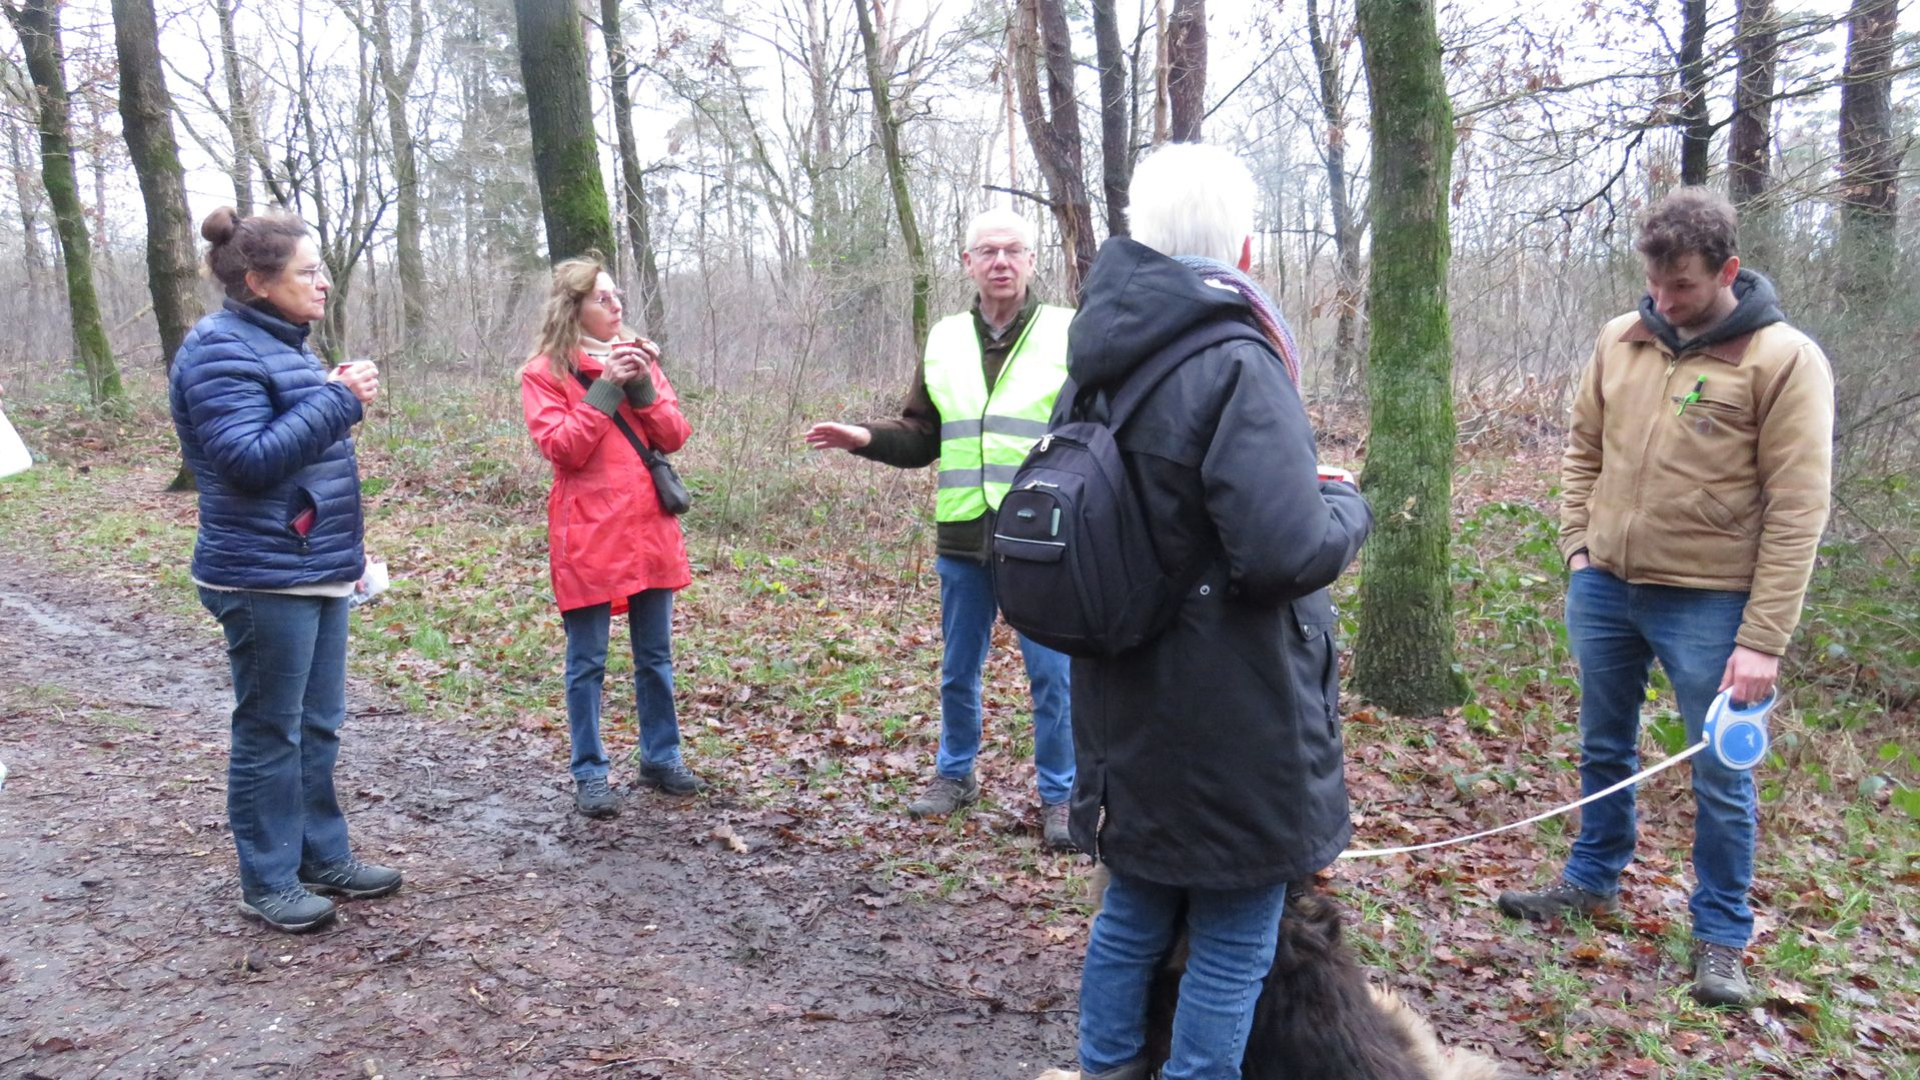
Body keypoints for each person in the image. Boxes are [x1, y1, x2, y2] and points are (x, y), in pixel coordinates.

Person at [1064, 143, 1372, 1080]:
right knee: (1237, 926)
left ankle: (1105, 1067)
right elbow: (1284, 551)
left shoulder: (1098, 358)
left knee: (1135, 909)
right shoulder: (1236, 357)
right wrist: (1344, 504)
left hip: (1126, 693)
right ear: (1242, 248)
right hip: (1230, 708)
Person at [1495, 187, 1835, 1007]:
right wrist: (1580, 549)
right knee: (1602, 747)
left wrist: (1763, 642)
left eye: (1682, 286)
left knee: (1722, 771)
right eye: (1655, 284)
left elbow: (1799, 507)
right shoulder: (1623, 339)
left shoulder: (1783, 359)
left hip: (1713, 604)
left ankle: (1720, 937)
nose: (1665, 301)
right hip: (1607, 588)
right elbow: (1582, 450)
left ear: (1728, 270)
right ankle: (1591, 880)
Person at [804, 208, 1077, 850]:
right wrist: (865, 437)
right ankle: (955, 775)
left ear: (1033, 260)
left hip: (1042, 539)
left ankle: (1062, 796)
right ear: (968, 263)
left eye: (1013, 250)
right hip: (962, 536)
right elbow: (924, 436)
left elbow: (1091, 431)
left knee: (1054, 675)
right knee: (959, 669)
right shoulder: (946, 337)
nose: (1001, 262)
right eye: (987, 251)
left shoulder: (1070, 332)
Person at [171, 207, 401, 934]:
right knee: (272, 730)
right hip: (259, 576)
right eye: (307, 272)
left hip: (312, 566)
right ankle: (267, 879)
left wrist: (349, 554)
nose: (323, 284)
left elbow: (305, 466)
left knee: (318, 725)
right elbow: (245, 462)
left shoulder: (284, 345)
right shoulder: (216, 349)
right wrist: (340, 400)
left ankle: (320, 856)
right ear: (257, 281)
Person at [520, 257, 701, 818]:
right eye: (602, 298)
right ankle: (590, 772)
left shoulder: (639, 358)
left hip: (648, 526)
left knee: (655, 656)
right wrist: (605, 388)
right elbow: (565, 450)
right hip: (589, 532)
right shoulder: (544, 372)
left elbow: (673, 436)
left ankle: (660, 757)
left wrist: (642, 382)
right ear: (573, 308)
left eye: (618, 296)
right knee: (588, 661)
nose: (616, 305)